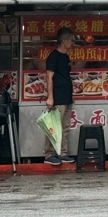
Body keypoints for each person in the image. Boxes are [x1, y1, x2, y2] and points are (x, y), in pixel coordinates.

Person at [44, 27, 76, 166]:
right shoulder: (54, 56)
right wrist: (50, 97)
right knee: (53, 127)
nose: (72, 42)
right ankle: (49, 154)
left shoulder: (65, 56)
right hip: (57, 97)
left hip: (67, 96)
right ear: (63, 40)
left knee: (65, 127)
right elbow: (49, 77)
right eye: (71, 40)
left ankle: (62, 153)